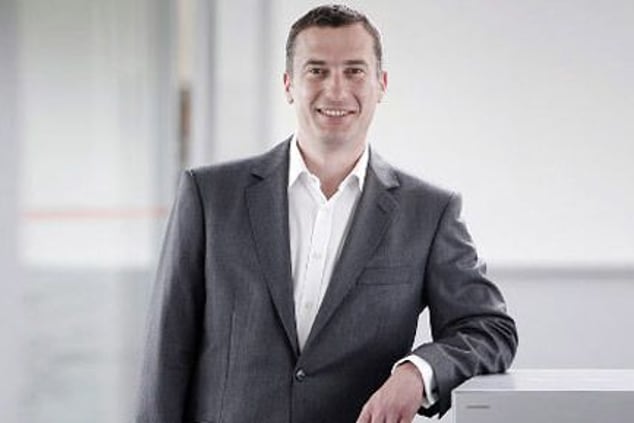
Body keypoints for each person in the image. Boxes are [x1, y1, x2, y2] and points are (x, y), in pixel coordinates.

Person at [136, 4, 518, 423]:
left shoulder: (429, 213)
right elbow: (168, 352)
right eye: (317, 71)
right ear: (289, 85)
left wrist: (417, 373)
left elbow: (488, 329)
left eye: (354, 71)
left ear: (381, 85)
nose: (336, 90)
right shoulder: (209, 196)